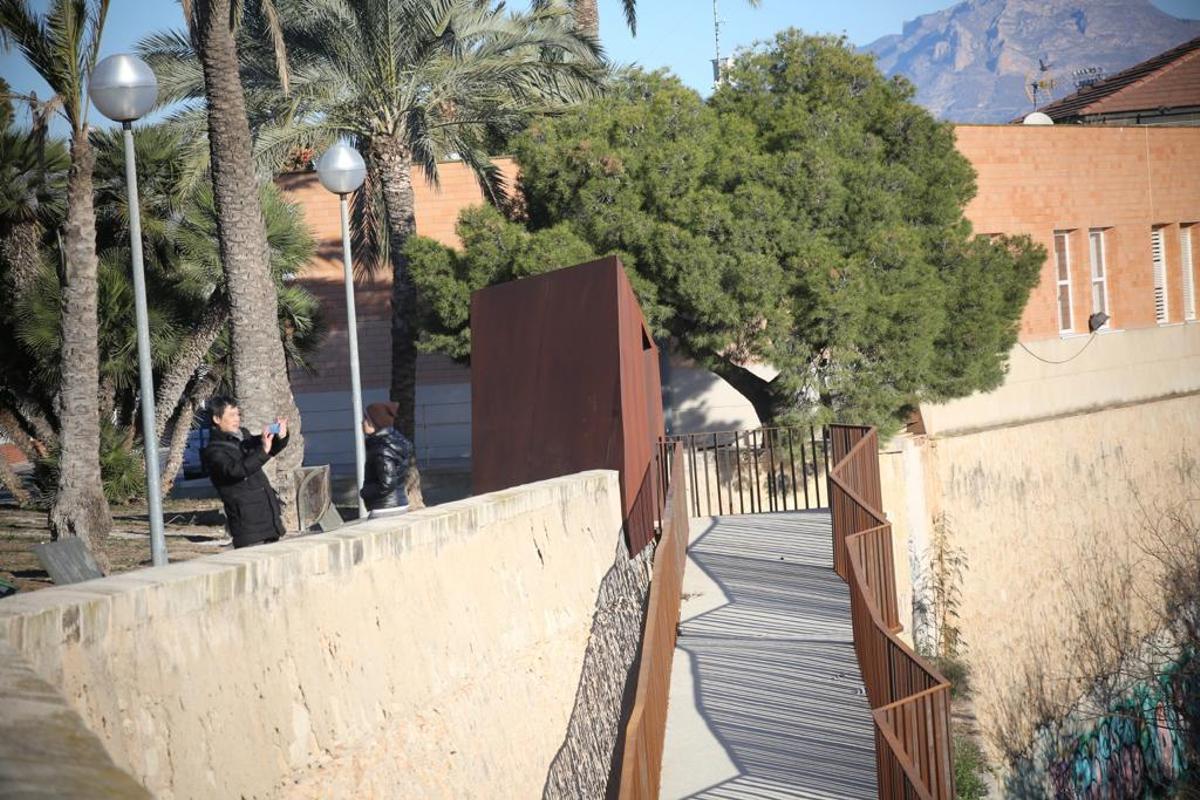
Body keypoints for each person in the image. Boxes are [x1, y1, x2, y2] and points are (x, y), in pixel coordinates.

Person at [202, 396, 290, 548]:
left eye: (238, 414)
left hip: (269, 522)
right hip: (248, 527)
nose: (236, 419)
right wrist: (263, 450)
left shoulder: (243, 437)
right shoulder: (214, 451)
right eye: (231, 415)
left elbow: (268, 448)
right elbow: (235, 471)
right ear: (217, 418)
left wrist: (280, 435)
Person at [360, 402, 413, 519]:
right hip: (398, 503)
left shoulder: (382, 449)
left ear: (375, 422)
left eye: (365, 418)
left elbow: (387, 483)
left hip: (385, 508)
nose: (362, 422)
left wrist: (364, 492)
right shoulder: (393, 442)